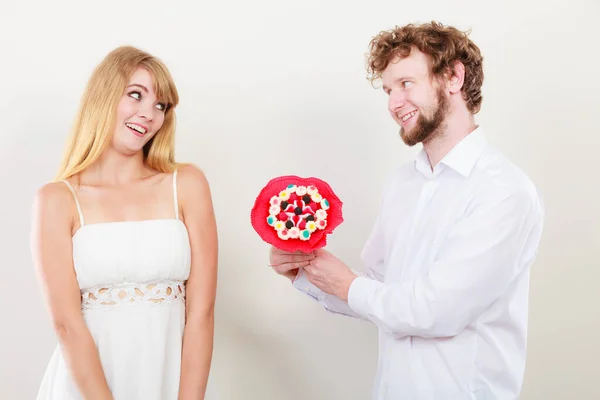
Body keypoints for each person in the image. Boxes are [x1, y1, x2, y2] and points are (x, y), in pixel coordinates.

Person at [269, 21, 545, 399]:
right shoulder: (403, 183)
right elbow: (379, 294)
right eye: (387, 90)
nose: (393, 103)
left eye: (406, 84)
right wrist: (305, 270)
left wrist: (348, 284)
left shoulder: (504, 191)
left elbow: (437, 309)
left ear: (453, 77)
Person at [31, 46, 218, 400]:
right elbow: (67, 325)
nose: (149, 114)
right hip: (84, 389)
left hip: (170, 381)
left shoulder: (187, 184)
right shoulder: (56, 199)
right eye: (136, 95)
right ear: (103, 96)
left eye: (160, 106)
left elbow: (202, 314)